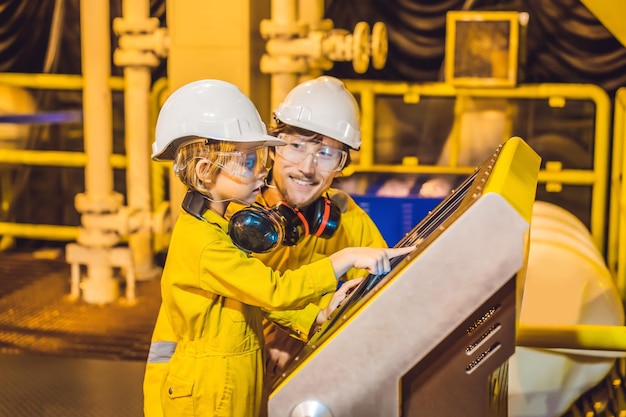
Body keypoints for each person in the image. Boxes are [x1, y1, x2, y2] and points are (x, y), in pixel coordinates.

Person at [145, 78, 413, 417]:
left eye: (327, 153)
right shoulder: (232, 218)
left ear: (342, 166)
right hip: (216, 393)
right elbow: (180, 335)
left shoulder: (347, 222)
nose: (307, 166)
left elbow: (388, 314)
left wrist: (314, 331)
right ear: (273, 146)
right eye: (296, 146)